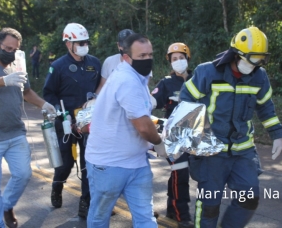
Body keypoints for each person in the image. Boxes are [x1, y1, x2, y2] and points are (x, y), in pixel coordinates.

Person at [180, 26, 282, 228]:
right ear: (236, 54)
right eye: (253, 59)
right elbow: (186, 100)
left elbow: (265, 107)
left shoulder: (259, 76)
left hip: (243, 151)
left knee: (249, 198)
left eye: (261, 59)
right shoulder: (207, 72)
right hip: (212, 152)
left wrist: (276, 134)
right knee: (209, 204)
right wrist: (195, 136)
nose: (256, 64)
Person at [0, 27, 56, 228]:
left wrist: (44, 104)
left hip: (15, 133)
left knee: (24, 174)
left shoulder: (17, 64)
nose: (11, 52)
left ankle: (6, 205)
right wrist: (3, 80)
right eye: (7, 48)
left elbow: (26, 91)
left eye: (15, 49)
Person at [85, 33, 161, 228]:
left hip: (137, 163)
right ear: (126, 57)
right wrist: (160, 143)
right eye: (142, 56)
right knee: (100, 218)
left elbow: (139, 118)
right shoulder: (127, 80)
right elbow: (143, 126)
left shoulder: (138, 77)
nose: (147, 60)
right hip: (109, 164)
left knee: (146, 217)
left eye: (150, 55)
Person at [43, 23, 101, 219]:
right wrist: (61, 113)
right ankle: (57, 186)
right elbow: (48, 93)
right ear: (69, 44)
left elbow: (101, 86)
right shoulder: (57, 66)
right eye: (80, 42)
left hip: (89, 123)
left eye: (86, 42)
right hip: (66, 122)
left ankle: (86, 201)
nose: (84, 45)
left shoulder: (94, 62)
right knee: (66, 163)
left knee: (88, 163)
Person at [151, 42, 194, 228]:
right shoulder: (166, 83)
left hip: (195, 136)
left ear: (187, 59)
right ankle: (181, 215)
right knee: (181, 171)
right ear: (170, 62)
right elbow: (150, 103)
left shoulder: (197, 80)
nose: (178, 62)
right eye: (174, 59)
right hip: (174, 138)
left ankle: (171, 206)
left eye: (181, 58)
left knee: (180, 174)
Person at [95, 28, 134, 93]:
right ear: (118, 45)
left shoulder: (142, 62)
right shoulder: (109, 61)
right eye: (125, 45)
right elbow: (102, 87)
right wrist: (94, 99)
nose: (128, 48)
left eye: (130, 44)